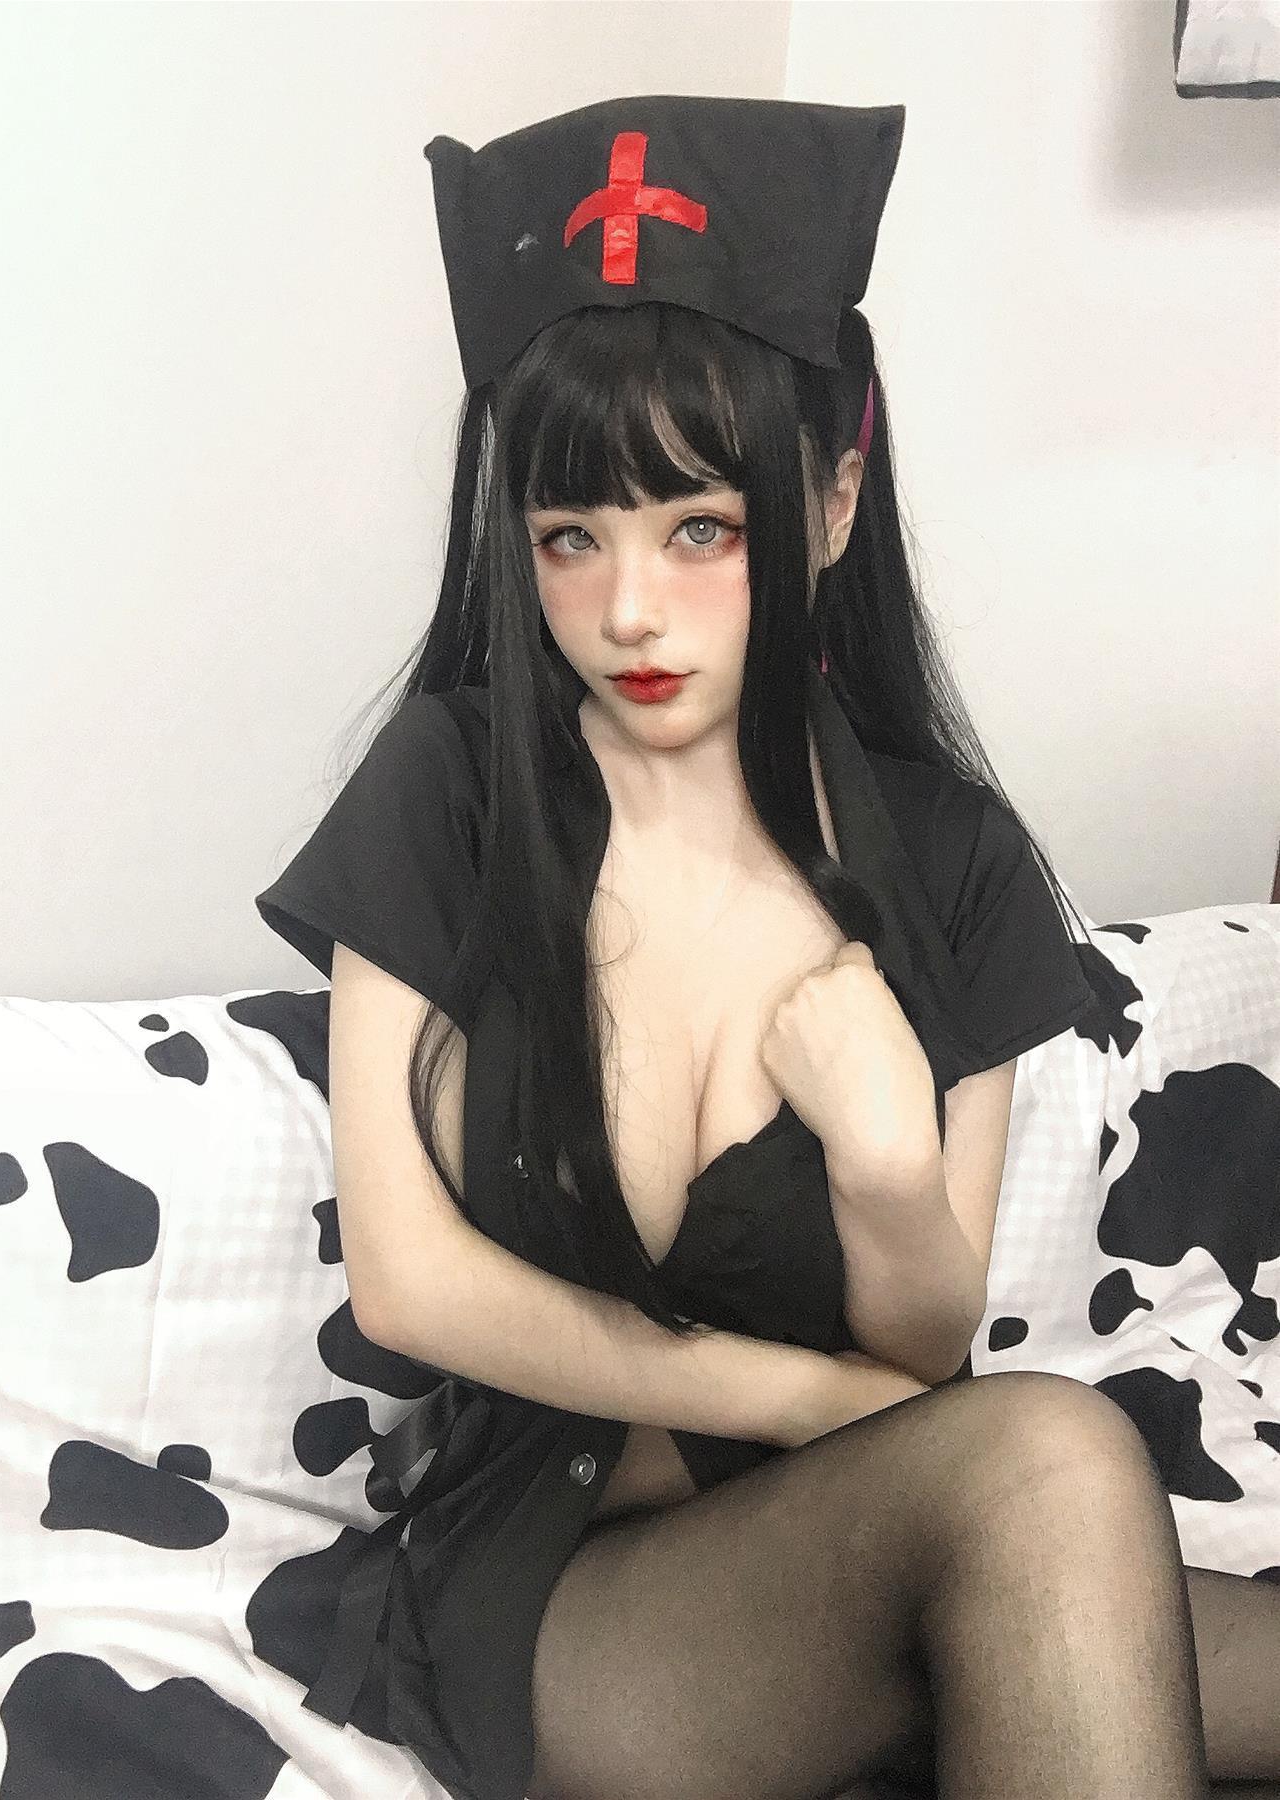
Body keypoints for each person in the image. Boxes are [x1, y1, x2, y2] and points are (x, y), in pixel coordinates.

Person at [256, 95, 1279, 1800]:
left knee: (1063, 1530)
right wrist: (798, 1404)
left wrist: (884, 1168)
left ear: (833, 499)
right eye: (569, 537)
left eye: (700, 530)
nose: (626, 610)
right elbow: (407, 1281)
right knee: (1050, 1460)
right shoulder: (450, 785)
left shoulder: (947, 858)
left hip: (875, 1542)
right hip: (563, 1602)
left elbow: (921, 1357)